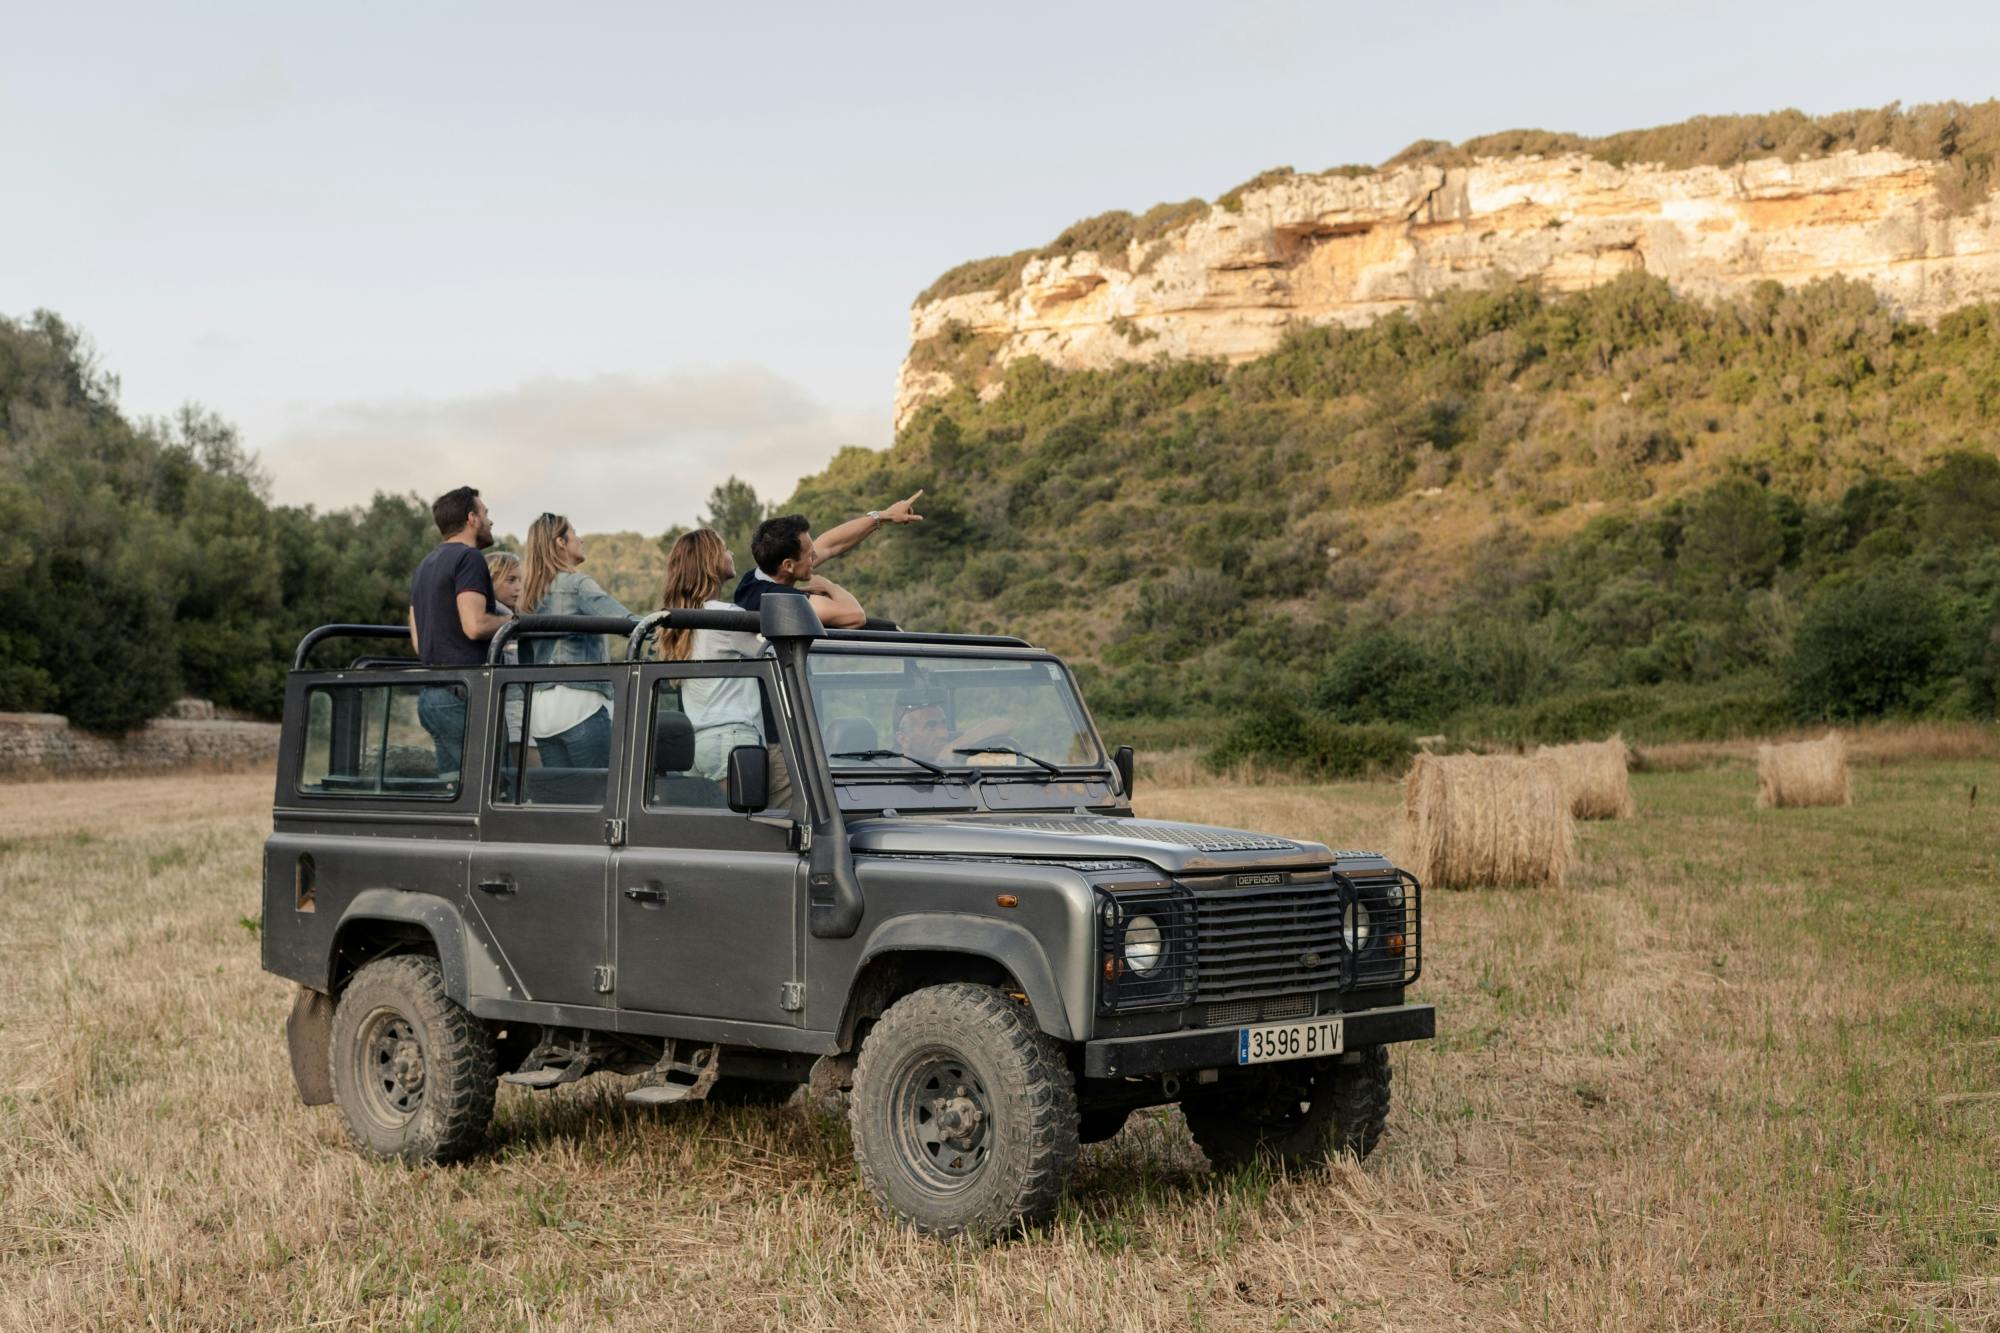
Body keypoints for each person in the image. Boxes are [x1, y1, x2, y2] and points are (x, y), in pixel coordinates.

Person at [519, 512, 634, 769]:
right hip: (580, 705)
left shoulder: (528, 595)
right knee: (598, 795)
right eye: (575, 534)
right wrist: (665, 626)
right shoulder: (577, 584)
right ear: (561, 542)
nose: (580, 540)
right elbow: (625, 621)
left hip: (541, 714)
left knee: (564, 799)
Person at [407, 486, 507, 776]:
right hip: (462, 694)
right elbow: (475, 626)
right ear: (471, 518)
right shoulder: (469, 558)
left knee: (454, 787)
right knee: (496, 782)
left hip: (431, 697)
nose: (490, 521)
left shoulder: (424, 565)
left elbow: (418, 641)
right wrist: (514, 623)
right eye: (486, 513)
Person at [657, 529, 764, 779]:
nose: (731, 553)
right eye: (725, 548)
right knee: (740, 819)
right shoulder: (727, 617)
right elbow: (772, 651)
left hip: (696, 744)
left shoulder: (679, 623)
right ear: (711, 561)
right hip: (731, 738)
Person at [731, 490, 925, 626]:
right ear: (788, 565)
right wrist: (827, 586)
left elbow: (831, 544)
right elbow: (854, 615)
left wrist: (883, 516)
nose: (815, 556)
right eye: (809, 555)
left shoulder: (754, 578)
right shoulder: (780, 600)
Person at [485, 551, 527, 751]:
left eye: (519, 580)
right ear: (491, 580)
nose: (518, 587)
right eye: (510, 580)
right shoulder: (500, 614)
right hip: (512, 701)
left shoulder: (512, 613)